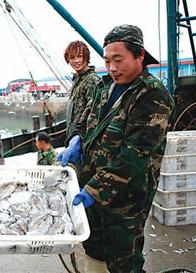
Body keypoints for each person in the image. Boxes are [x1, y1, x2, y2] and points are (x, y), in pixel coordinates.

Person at [66, 25, 174, 272]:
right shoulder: (104, 87)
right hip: (90, 187)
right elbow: (84, 120)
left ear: (140, 56)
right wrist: (76, 139)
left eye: (119, 59)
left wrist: (93, 190)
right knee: (93, 248)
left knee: (122, 259)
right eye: (107, 61)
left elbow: (135, 154)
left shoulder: (153, 96)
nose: (112, 68)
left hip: (126, 198)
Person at [63, 40, 100, 140]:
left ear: (86, 57)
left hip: (83, 137)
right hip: (73, 135)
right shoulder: (77, 80)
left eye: (79, 56)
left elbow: (94, 111)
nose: (76, 61)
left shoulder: (92, 80)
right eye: (72, 57)